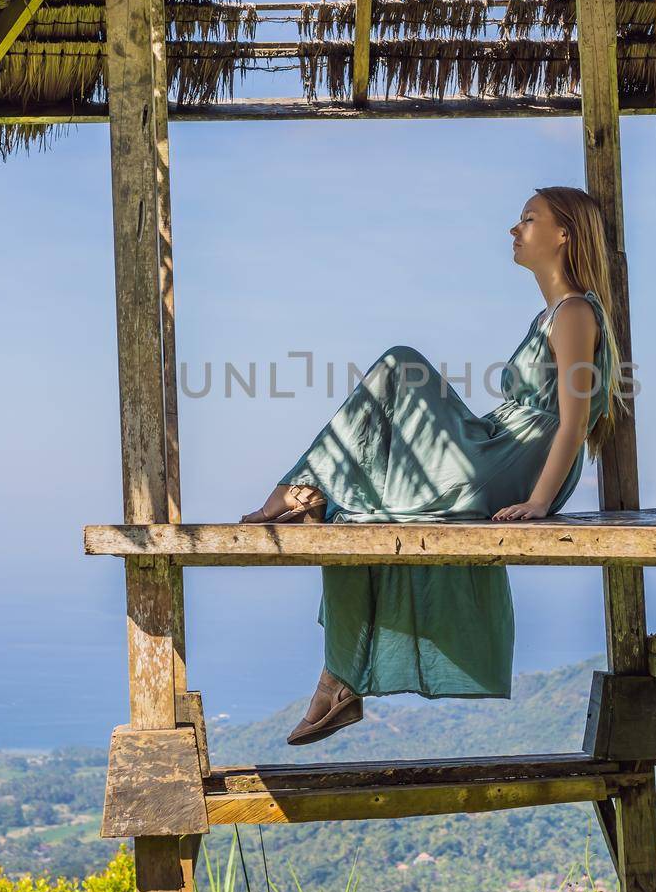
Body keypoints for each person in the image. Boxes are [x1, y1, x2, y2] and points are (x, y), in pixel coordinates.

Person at [240, 186, 627, 745]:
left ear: (563, 234)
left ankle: (295, 493)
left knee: (400, 363)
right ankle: (339, 678)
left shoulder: (574, 313)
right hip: (498, 446)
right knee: (356, 518)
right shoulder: (553, 314)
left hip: (513, 461)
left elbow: (572, 421)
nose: (514, 230)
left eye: (528, 219)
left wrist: (540, 502)